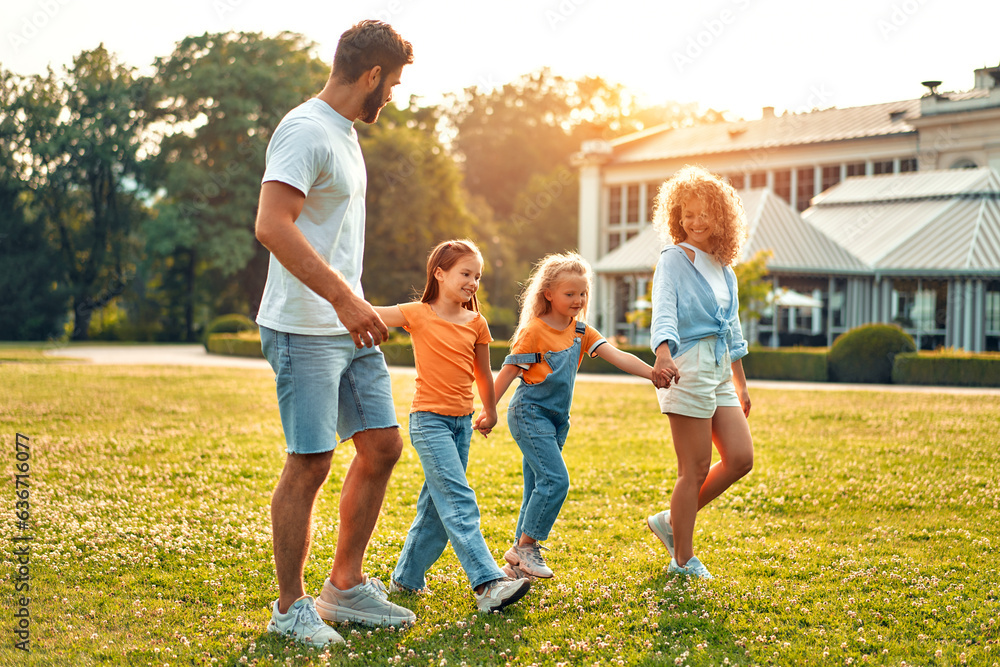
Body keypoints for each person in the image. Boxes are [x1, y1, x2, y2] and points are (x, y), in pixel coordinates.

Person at [254, 20, 416, 648]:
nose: (393, 95)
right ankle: (290, 607)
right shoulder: (304, 129)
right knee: (311, 461)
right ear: (371, 75)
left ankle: (344, 587)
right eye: (392, 83)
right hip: (305, 325)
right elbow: (273, 224)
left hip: (348, 324)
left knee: (382, 445)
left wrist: (354, 304)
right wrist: (345, 300)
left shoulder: (345, 134)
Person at [375, 240, 532, 613]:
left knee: (436, 507)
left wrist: (490, 410)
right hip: (428, 421)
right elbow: (368, 312)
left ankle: (406, 579)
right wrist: (329, 293)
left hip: (461, 424)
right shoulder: (417, 313)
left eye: (477, 276)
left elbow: (483, 373)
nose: (472, 282)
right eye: (465, 273)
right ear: (439, 274)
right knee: (458, 499)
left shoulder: (476, 322)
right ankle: (488, 583)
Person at [492, 253, 654, 580]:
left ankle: (514, 569)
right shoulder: (534, 330)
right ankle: (526, 548)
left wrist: (653, 374)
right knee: (555, 481)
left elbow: (617, 355)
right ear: (548, 294)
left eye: (582, 293)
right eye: (570, 293)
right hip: (529, 413)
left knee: (536, 489)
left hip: (556, 421)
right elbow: (509, 372)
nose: (578, 300)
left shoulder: (581, 331)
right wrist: (487, 410)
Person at [645, 165, 754, 580]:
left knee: (740, 458)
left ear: (720, 217)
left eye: (704, 213)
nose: (695, 222)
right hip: (685, 366)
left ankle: (672, 520)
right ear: (677, 217)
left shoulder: (725, 269)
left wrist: (740, 383)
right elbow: (663, 310)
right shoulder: (674, 259)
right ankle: (683, 560)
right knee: (694, 469)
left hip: (719, 369)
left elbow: (733, 330)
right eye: (687, 214)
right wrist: (663, 353)